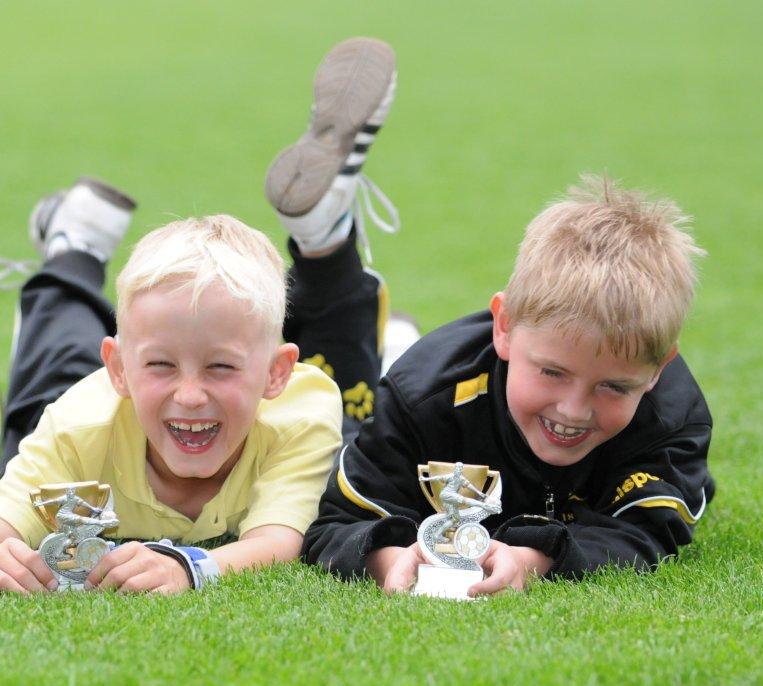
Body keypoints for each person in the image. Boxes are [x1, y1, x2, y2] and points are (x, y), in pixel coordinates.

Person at [0, 36, 409, 595]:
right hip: (98, 407)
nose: (190, 395)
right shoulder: (79, 424)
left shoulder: (300, 414)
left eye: (219, 368)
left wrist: (189, 566)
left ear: (278, 375)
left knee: (354, 412)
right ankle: (78, 248)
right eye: (162, 365)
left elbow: (280, 541)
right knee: (54, 376)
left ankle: (81, 247)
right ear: (117, 368)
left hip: (250, 395)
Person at [302, 175, 715, 597]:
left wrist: (530, 560)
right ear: (504, 326)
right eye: (552, 372)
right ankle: (329, 255)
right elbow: (336, 526)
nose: (573, 410)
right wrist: (393, 560)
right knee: (341, 416)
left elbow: (645, 532)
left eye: (614, 387)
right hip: (413, 375)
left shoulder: (672, 417)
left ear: (658, 369)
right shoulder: (423, 397)